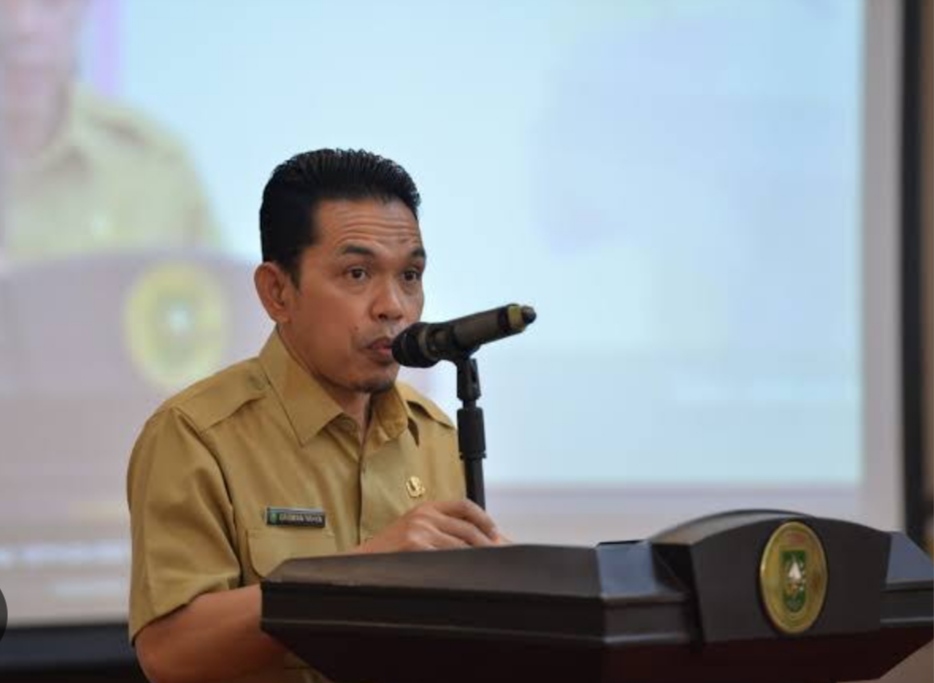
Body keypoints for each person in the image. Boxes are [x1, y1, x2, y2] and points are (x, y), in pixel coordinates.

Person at [127, 149, 506, 683]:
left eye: (410, 275)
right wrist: (362, 574)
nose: (393, 305)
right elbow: (171, 653)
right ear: (277, 292)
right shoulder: (195, 435)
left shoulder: (439, 436)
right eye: (357, 273)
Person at [0, 0, 219, 262]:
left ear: (81, 10)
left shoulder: (152, 168)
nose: (24, 26)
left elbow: (218, 285)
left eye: (50, 3)